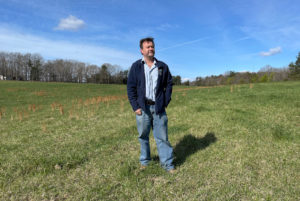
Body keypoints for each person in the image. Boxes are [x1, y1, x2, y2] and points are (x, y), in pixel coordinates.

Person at [127, 37, 175, 173]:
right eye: (147, 47)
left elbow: (169, 84)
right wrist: (135, 106)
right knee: (143, 136)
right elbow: (130, 87)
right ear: (141, 50)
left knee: (162, 137)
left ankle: (167, 165)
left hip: (159, 108)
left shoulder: (162, 66)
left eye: (152, 46)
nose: (151, 49)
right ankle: (145, 161)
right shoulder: (136, 67)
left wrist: (165, 102)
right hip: (142, 108)